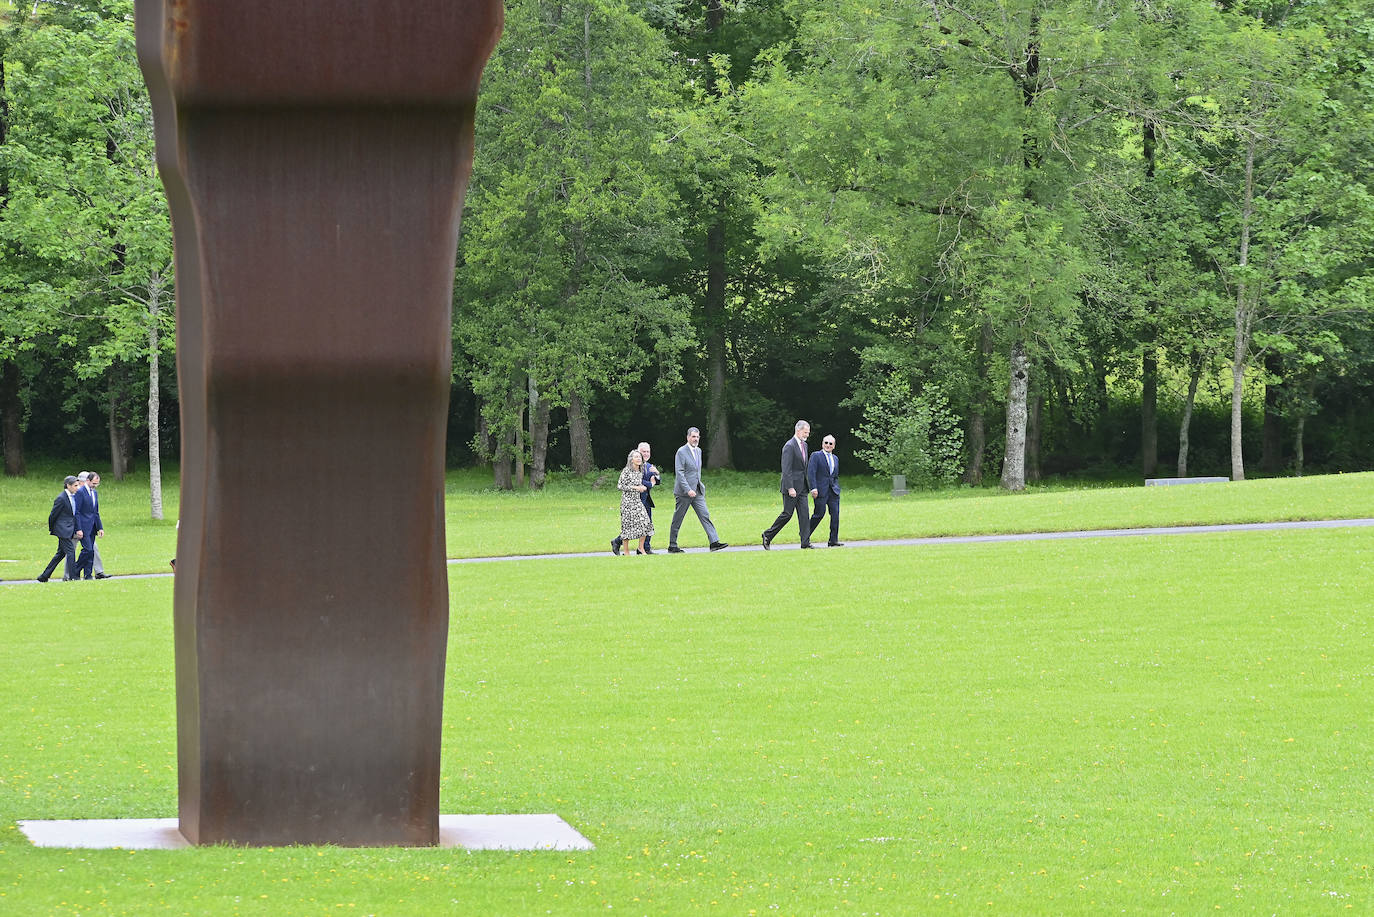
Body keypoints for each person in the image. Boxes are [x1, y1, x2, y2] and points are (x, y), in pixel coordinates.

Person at [668, 426, 728, 553]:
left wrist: (697, 487)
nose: (695, 439)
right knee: (678, 518)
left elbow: (696, 471)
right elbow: (680, 473)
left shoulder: (698, 451)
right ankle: (672, 545)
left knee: (705, 515)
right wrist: (687, 489)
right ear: (688, 437)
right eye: (693, 436)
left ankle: (714, 542)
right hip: (684, 492)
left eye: (697, 437)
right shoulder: (681, 452)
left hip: (697, 490)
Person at [762, 420, 814, 550]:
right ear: (798, 430)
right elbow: (786, 469)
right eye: (805, 432)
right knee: (787, 514)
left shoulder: (805, 445)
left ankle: (805, 543)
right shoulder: (789, 446)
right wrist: (790, 487)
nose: (807, 435)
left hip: (802, 487)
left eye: (808, 433)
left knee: (804, 515)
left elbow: (803, 468)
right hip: (791, 487)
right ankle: (768, 535)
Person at [611, 441, 660, 555]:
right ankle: (621, 544)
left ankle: (643, 548)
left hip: (644, 499)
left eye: (648, 451)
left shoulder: (647, 466)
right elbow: (639, 482)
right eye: (643, 452)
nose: (646, 454)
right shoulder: (631, 468)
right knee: (631, 525)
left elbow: (656, 480)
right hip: (632, 500)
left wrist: (657, 474)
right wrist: (648, 485)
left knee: (646, 524)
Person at [37, 475, 84, 582]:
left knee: (60, 554)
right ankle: (73, 577)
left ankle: (44, 576)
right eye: (75, 485)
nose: (77, 488)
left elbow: (73, 515)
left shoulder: (73, 497)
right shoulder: (61, 498)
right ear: (68, 485)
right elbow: (53, 515)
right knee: (71, 552)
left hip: (68, 529)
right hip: (63, 530)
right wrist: (54, 529)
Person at [807, 433, 843, 547]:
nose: (828, 445)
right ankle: (804, 535)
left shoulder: (835, 458)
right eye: (826, 443)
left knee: (835, 515)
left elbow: (835, 475)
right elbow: (811, 473)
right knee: (819, 514)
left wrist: (836, 487)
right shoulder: (816, 455)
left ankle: (833, 540)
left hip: (833, 491)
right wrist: (813, 488)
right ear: (822, 444)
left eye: (830, 443)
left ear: (834, 446)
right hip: (820, 491)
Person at [75, 472, 109, 579]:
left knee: (91, 552)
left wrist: (100, 527)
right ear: (87, 481)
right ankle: (75, 570)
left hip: (92, 526)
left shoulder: (94, 493)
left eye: (97, 484)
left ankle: (88, 574)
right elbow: (77, 512)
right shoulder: (80, 492)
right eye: (94, 483)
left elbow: (96, 512)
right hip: (83, 527)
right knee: (88, 550)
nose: (95, 485)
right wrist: (78, 528)